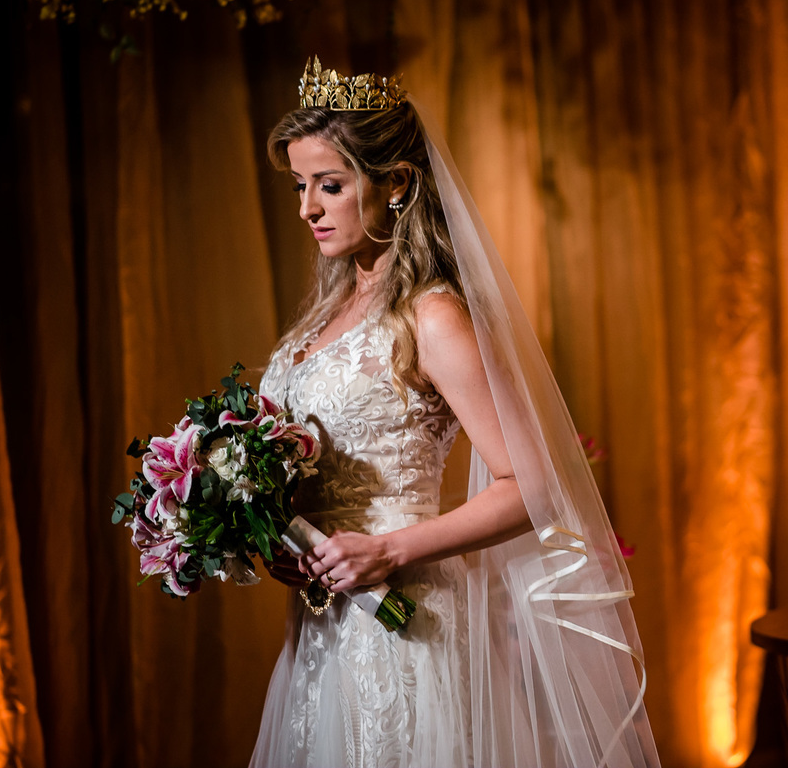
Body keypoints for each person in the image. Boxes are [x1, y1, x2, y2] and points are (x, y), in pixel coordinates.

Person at [250, 57, 659, 768]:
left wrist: (386, 549)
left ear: (397, 184)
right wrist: (285, 540)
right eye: (301, 186)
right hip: (322, 634)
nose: (307, 208)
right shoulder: (323, 319)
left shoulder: (431, 315)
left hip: (406, 629)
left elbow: (533, 487)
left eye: (330, 185)